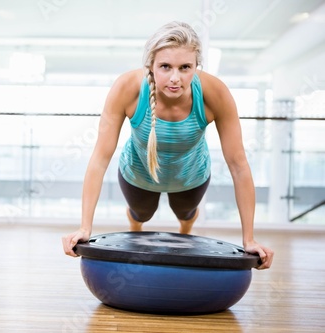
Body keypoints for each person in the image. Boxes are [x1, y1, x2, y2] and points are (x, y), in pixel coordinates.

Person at [61, 21, 274, 270]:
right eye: (165, 66)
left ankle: (185, 230)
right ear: (150, 65)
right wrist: (85, 227)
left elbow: (238, 165)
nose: (176, 78)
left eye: (185, 67)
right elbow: (100, 159)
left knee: (185, 212)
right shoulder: (127, 88)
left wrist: (249, 239)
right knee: (142, 213)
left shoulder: (214, 92)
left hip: (191, 176)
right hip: (138, 174)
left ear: (197, 67)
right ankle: (135, 228)